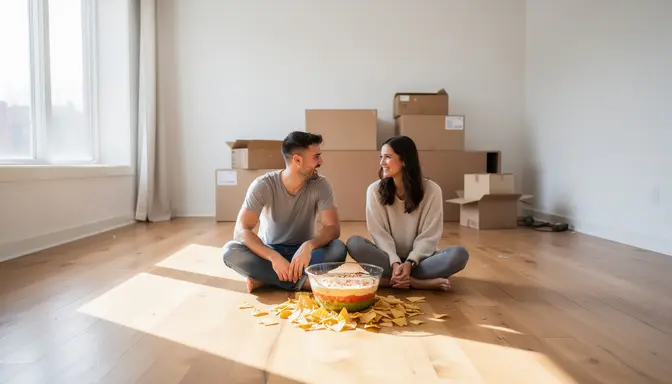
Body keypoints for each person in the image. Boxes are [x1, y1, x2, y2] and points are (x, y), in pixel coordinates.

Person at [222, 131, 347, 293]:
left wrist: (309, 246)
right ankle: (304, 283)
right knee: (230, 251)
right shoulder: (263, 185)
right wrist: (273, 257)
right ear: (297, 160)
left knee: (338, 248)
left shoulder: (321, 185)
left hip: (305, 255)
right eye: (316, 157)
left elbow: (333, 228)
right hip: (269, 252)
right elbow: (241, 230)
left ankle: (268, 279)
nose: (321, 161)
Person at [346, 136, 469, 291]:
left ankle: (392, 279)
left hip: (420, 261)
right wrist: (395, 261)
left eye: (388, 157)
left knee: (459, 254)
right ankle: (416, 283)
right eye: (381, 157)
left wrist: (411, 262)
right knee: (354, 243)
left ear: (404, 160)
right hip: (387, 259)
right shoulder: (374, 190)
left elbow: (429, 236)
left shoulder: (432, 191)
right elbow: (379, 234)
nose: (381, 162)